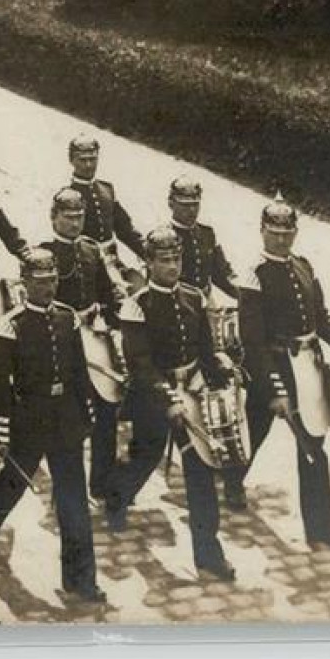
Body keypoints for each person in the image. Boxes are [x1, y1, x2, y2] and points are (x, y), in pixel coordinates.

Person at [103, 226, 240, 582]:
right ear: (148, 262)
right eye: (163, 260)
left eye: (176, 259)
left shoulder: (195, 297)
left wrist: (222, 370)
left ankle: (208, 555)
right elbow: (140, 363)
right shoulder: (137, 305)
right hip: (153, 399)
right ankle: (116, 499)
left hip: (192, 396)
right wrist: (168, 398)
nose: (172, 266)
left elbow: (206, 351)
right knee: (145, 458)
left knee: (200, 472)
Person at [232, 196, 330, 549]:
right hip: (273, 368)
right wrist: (273, 389)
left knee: (313, 446)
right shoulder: (254, 277)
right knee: (253, 431)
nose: (281, 239)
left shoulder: (304, 267)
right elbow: (253, 342)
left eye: (287, 232)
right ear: (262, 231)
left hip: (306, 367)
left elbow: (320, 317)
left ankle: (321, 527)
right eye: (274, 232)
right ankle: (231, 483)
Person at [0, 248, 105, 603]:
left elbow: (79, 371)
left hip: (65, 422)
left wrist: (86, 413)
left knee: (73, 501)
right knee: (12, 484)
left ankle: (81, 580)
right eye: (41, 282)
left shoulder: (68, 318)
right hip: (27, 421)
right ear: (25, 282)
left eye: (52, 281)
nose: (48, 288)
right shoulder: (12, 325)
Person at [40, 187, 124, 501]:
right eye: (68, 217)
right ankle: (67, 484)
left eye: (79, 217)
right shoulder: (45, 255)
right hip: (61, 344)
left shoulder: (91, 250)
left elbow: (104, 294)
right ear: (54, 218)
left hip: (94, 338)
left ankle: (101, 482)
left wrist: (115, 327)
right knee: (66, 415)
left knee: (107, 408)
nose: (75, 224)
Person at [66, 135, 145, 261]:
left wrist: (148, 253)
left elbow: (124, 228)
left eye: (92, 159)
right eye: (82, 160)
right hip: (85, 263)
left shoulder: (107, 189)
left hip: (112, 260)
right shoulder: (68, 196)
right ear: (71, 160)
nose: (88, 165)